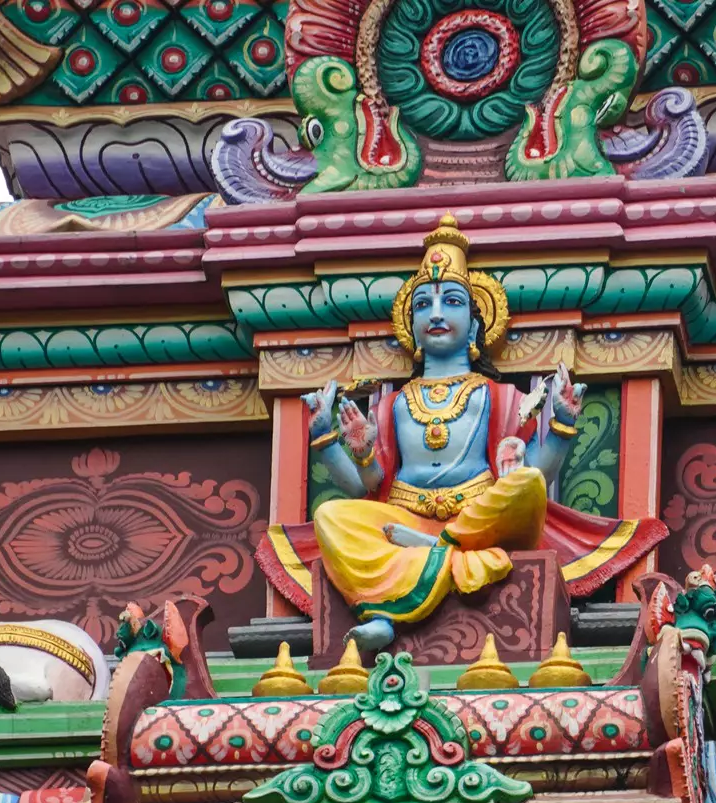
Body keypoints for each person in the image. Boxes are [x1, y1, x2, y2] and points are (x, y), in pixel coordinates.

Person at [256, 214, 664, 651]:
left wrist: (561, 424)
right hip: (405, 515)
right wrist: (331, 442)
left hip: (478, 518)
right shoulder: (392, 404)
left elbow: (530, 478)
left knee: (525, 484)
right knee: (331, 517)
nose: (434, 314)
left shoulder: (499, 396)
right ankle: (398, 599)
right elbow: (368, 486)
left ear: (474, 325)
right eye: (422, 307)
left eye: (450, 302)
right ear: (410, 327)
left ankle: (434, 550)